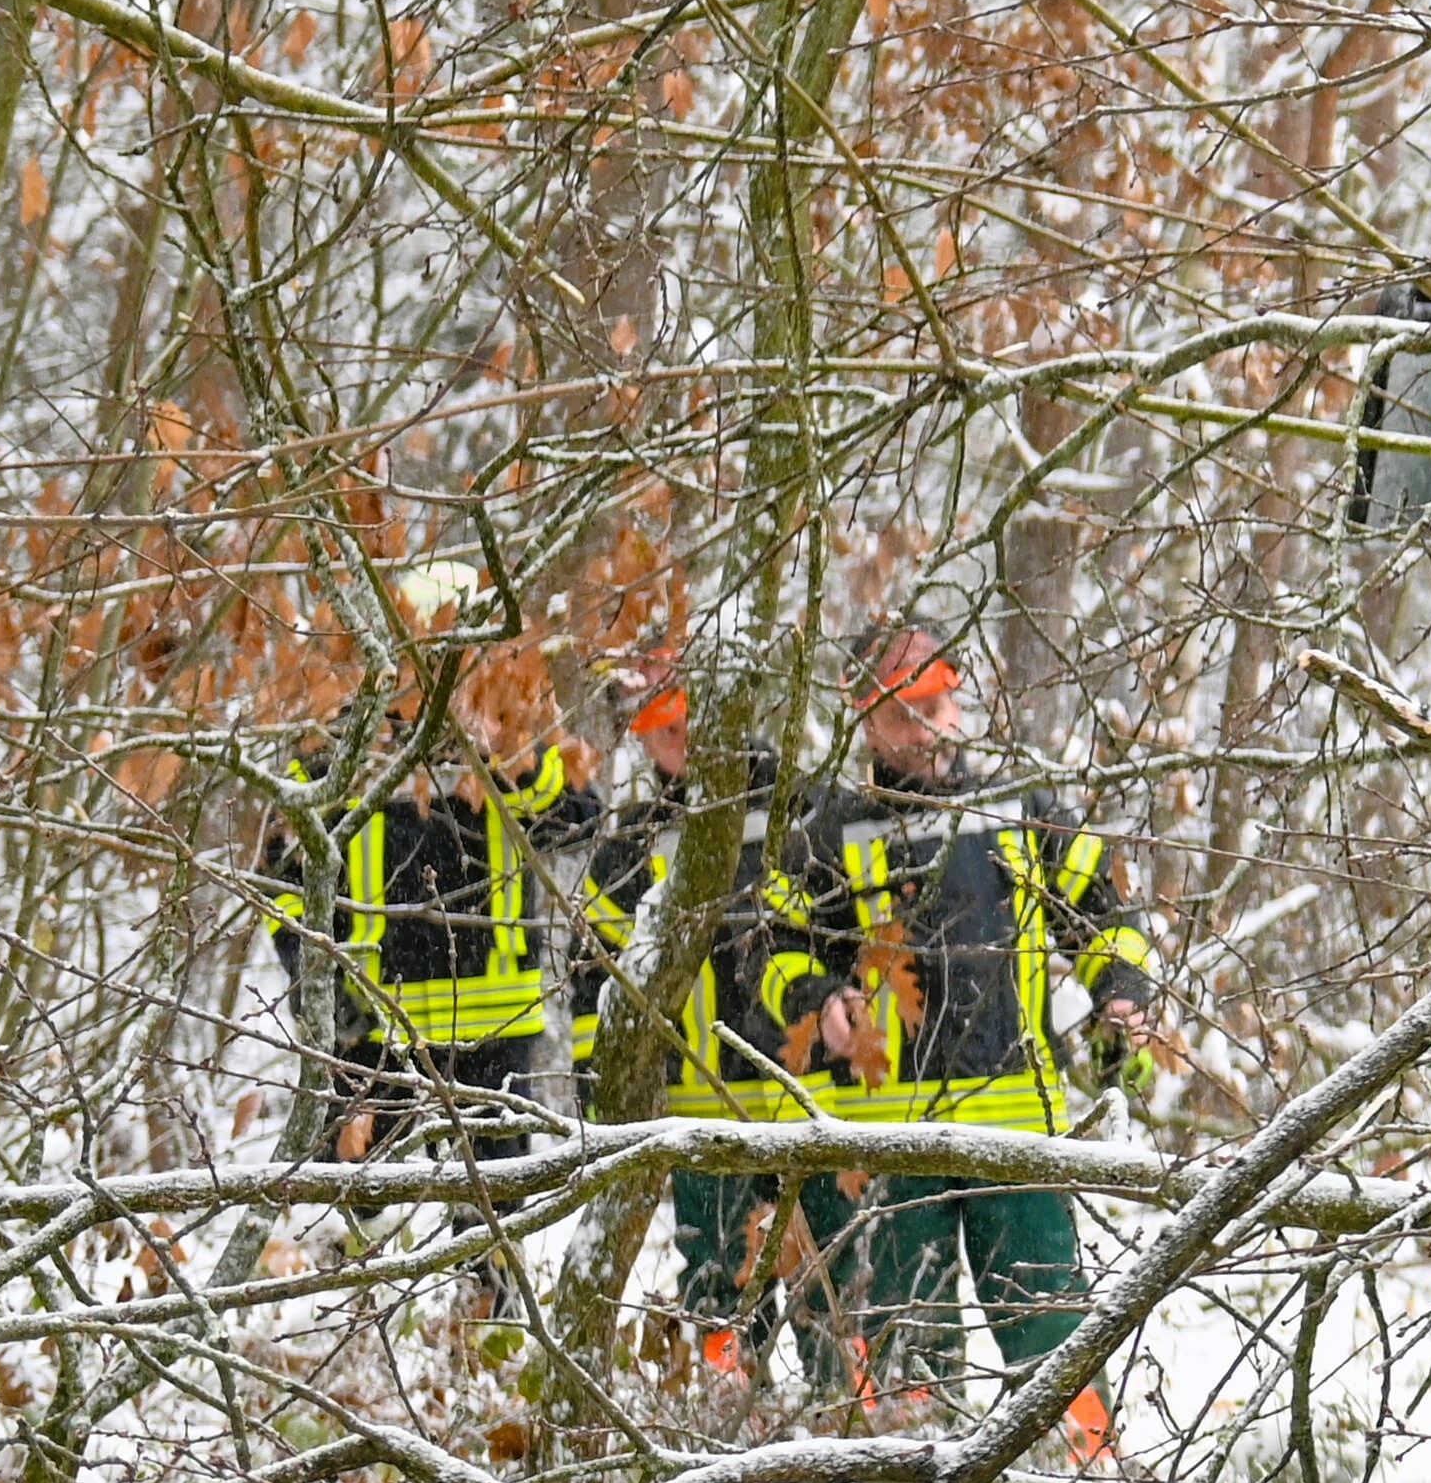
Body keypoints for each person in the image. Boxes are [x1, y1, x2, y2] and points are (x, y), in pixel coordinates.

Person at [757, 622, 1159, 1438]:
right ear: (867, 720)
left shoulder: (1019, 809)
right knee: (907, 1370)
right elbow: (773, 949)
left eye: (941, 704)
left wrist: (1120, 993)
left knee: (1056, 1352)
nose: (932, 727)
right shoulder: (828, 832)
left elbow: (1106, 913)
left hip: (1019, 1137)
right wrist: (818, 999)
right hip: (889, 1150)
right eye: (909, 713)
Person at [265, 562, 589, 1168]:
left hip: (494, 1030)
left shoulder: (507, 743)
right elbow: (279, 884)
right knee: (364, 1223)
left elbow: (579, 813)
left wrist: (509, 749)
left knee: (492, 1223)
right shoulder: (338, 750)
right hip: (372, 1032)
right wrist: (318, 983)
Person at [577, 674, 819, 1385]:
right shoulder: (632, 843)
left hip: (807, 1096)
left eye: (690, 726)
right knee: (718, 1275)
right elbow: (599, 975)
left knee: (826, 1260)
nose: (682, 745)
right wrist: (608, 1090)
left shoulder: (796, 805)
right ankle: (726, 1409)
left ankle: (852, 1408)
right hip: (701, 1103)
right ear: (644, 742)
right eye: (665, 733)